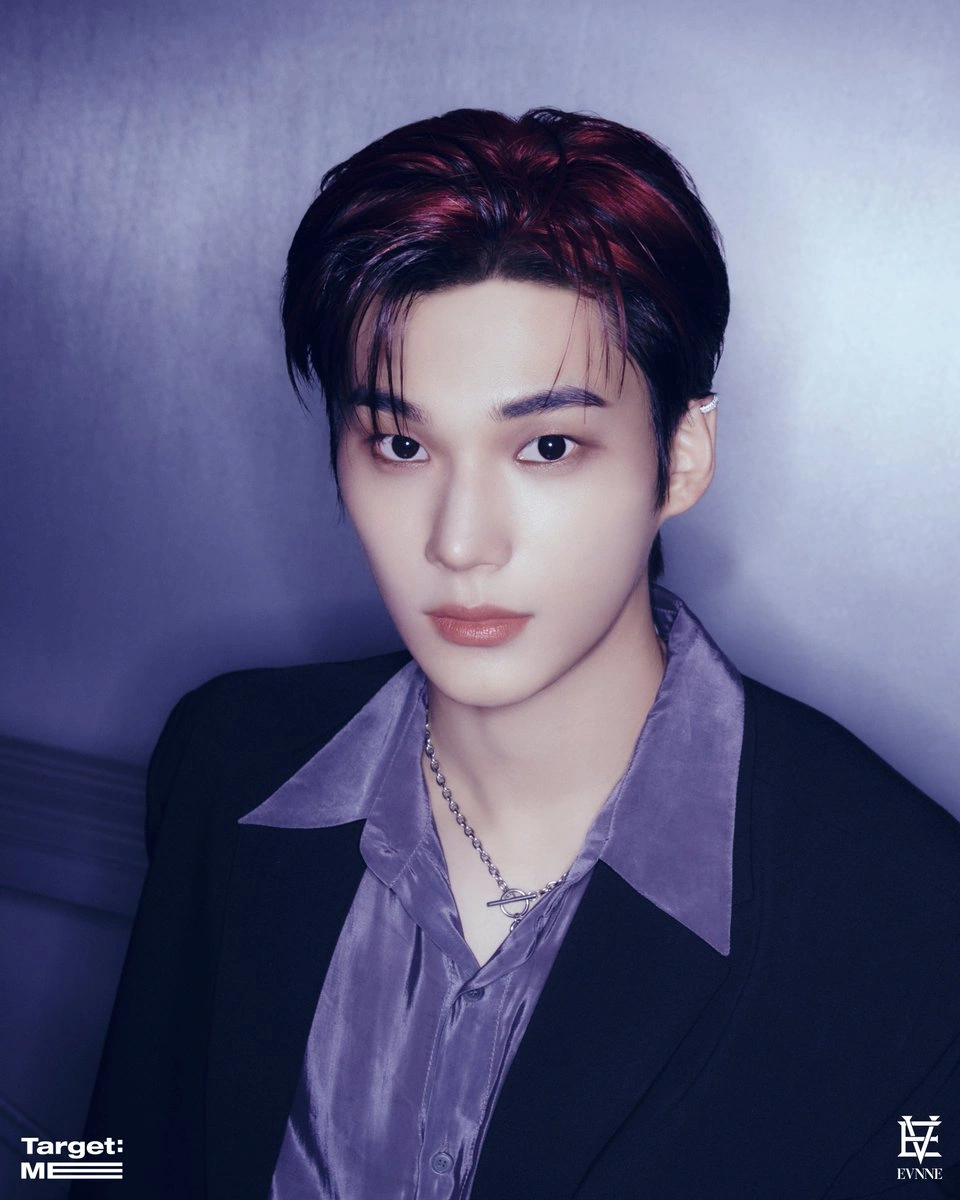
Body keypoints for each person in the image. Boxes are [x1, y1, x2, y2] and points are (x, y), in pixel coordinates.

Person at [75, 108, 960, 1199]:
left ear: (681, 457)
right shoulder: (228, 758)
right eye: (402, 444)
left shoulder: (910, 914)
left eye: (547, 446)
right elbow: (123, 1158)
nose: (459, 542)